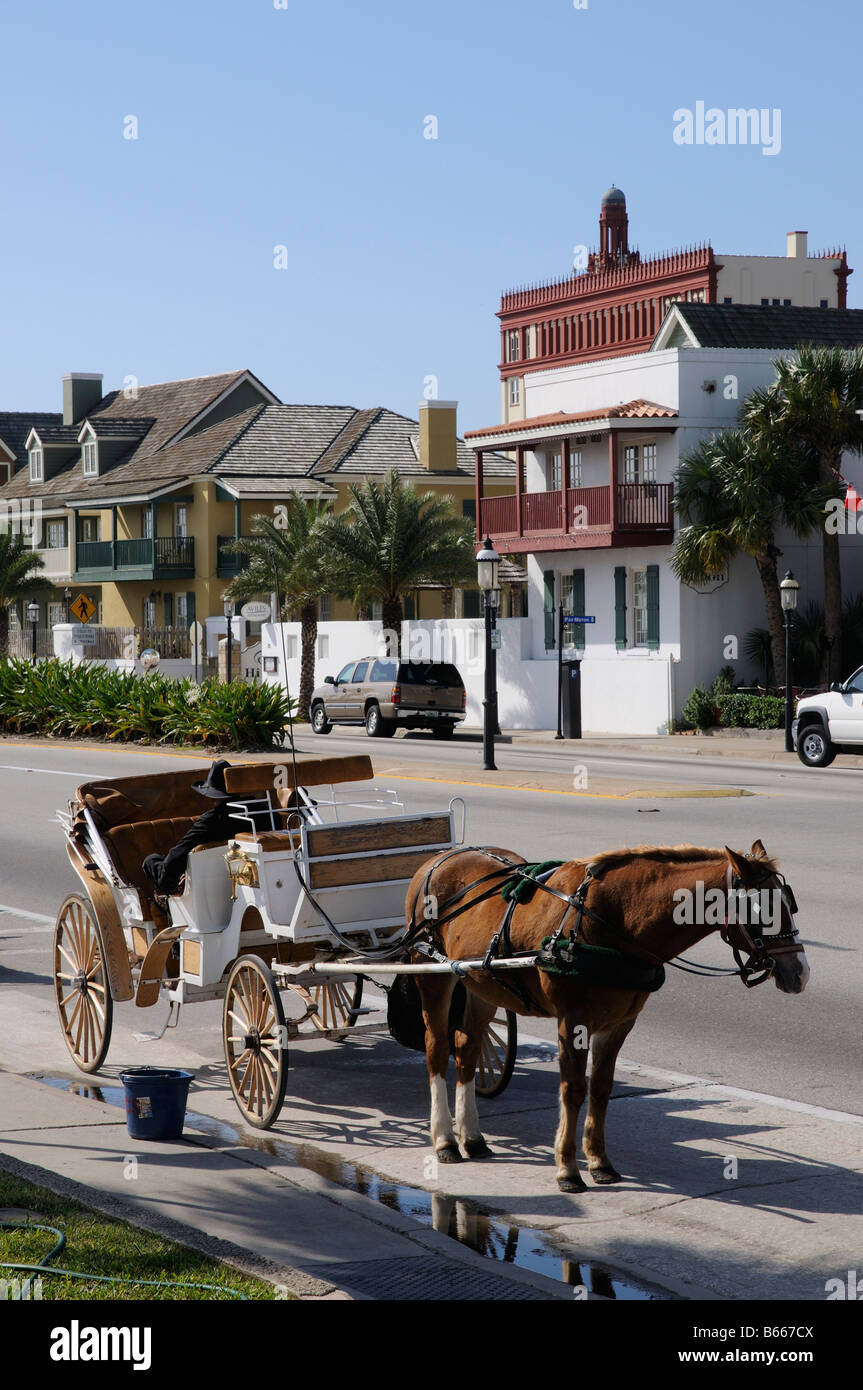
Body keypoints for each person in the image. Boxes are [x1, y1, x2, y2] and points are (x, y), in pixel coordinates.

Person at [142, 759, 256, 896]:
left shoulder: (211, 821)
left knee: (151, 861)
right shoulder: (263, 812)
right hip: (250, 874)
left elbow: (175, 859)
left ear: (212, 795)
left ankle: (166, 904)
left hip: (209, 885)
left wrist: (170, 881)